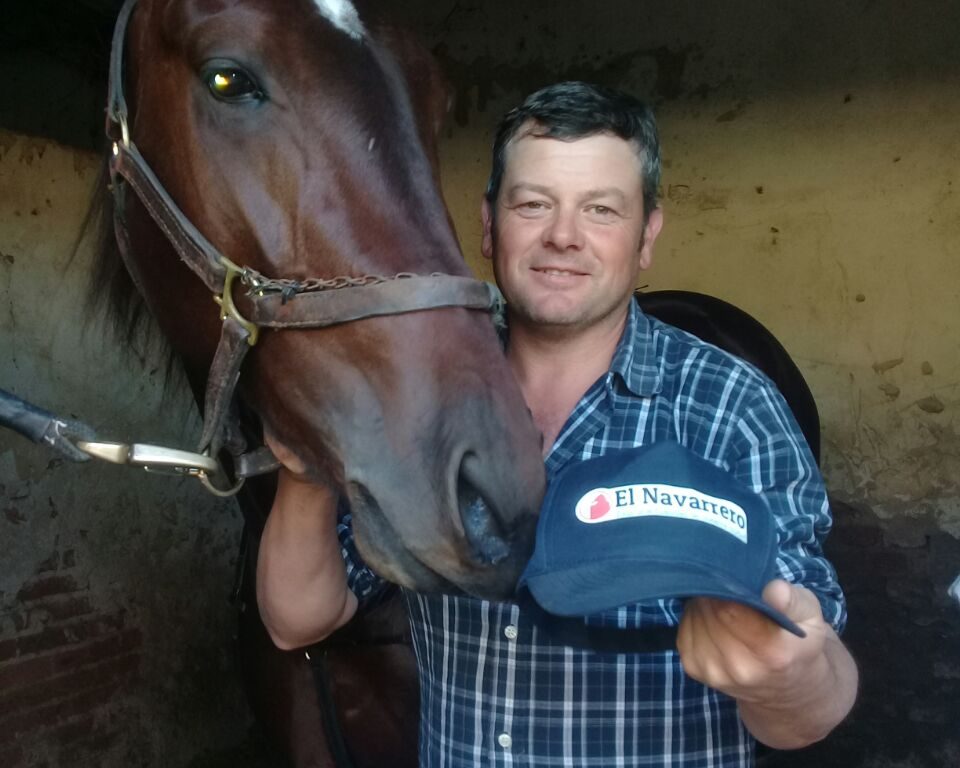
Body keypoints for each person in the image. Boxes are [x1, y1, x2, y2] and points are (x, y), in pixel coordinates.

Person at [257, 81, 858, 766]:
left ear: (646, 236)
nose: (563, 236)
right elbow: (297, 620)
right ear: (489, 225)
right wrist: (303, 470)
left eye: (601, 210)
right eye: (533, 204)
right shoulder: (422, 405)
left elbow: (811, 701)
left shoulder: (732, 410)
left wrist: (789, 677)